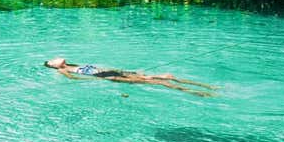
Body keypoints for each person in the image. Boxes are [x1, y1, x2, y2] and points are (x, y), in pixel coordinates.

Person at [44, 58, 216, 96]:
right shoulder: (62, 71)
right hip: (106, 77)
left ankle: (207, 87)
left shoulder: (74, 64)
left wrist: (117, 70)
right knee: (159, 81)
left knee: (167, 76)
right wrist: (98, 80)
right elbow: (75, 79)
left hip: (113, 72)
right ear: (54, 66)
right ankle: (196, 92)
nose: (56, 59)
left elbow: (97, 67)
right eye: (52, 61)